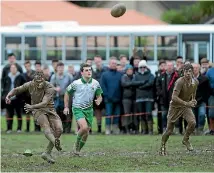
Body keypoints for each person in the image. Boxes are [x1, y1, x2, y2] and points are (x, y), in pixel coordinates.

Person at [5, 71, 63, 163]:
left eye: (40, 81)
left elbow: (44, 102)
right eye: (37, 81)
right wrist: (8, 95)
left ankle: (47, 153)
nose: (39, 83)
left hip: (49, 109)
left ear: (43, 79)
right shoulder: (30, 84)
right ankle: (55, 142)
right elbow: (17, 89)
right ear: (33, 80)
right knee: (46, 127)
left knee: (59, 130)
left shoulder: (49, 87)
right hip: (38, 110)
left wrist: (31, 107)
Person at [63, 63, 103, 156]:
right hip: (77, 108)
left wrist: (99, 100)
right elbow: (67, 93)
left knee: (86, 133)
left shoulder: (95, 83)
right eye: (86, 70)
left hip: (89, 110)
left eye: (90, 70)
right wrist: (66, 106)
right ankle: (76, 144)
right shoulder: (76, 83)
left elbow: (99, 96)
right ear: (82, 72)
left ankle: (77, 151)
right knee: (84, 128)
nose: (89, 72)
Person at [160, 64, 198, 155]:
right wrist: (186, 103)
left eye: (189, 71)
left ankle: (185, 139)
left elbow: (193, 93)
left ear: (193, 72)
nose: (188, 73)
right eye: (186, 71)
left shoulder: (195, 82)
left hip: (185, 106)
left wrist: (193, 100)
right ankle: (162, 145)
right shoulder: (179, 82)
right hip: (175, 106)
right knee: (169, 130)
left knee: (192, 122)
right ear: (183, 72)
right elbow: (174, 97)